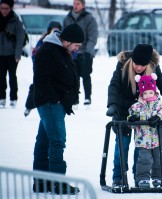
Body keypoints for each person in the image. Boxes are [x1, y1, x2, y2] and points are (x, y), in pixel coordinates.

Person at [106, 44, 162, 188]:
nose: (139, 68)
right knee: (122, 145)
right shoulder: (123, 65)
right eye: (136, 64)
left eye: (143, 65)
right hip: (122, 111)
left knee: (141, 147)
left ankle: (139, 177)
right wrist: (112, 105)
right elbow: (114, 85)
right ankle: (118, 177)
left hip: (144, 114)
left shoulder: (153, 67)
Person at [32, 23, 84, 194]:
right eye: (76, 45)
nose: (76, 49)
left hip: (55, 104)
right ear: (67, 41)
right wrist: (55, 100)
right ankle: (58, 183)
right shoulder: (48, 51)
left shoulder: (61, 50)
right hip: (50, 104)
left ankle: (41, 182)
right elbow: (41, 80)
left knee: (45, 141)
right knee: (57, 142)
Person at [128, 73, 162, 188]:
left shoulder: (161, 104)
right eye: (145, 93)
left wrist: (158, 117)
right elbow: (130, 122)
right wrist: (133, 119)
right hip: (143, 140)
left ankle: (158, 178)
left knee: (158, 160)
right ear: (141, 93)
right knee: (144, 160)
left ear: (154, 91)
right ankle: (142, 179)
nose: (148, 95)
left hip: (158, 139)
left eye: (150, 92)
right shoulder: (136, 106)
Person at [24, 20, 62, 117]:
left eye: (57, 30)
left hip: (55, 69)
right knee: (36, 86)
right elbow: (35, 53)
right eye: (53, 30)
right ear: (49, 30)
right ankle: (29, 106)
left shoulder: (62, 41)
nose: (55, 32)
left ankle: (50, 105)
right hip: (41, 67)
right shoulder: (43, 40)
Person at [64, 0, 98, 106]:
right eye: (74, 3)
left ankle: (87, 97)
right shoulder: (68, 18)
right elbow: (64, 34)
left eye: (78, 4)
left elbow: (92, 36)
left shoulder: (89, 18)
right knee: (74, 76)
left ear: (83, 5)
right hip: (71, 52)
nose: (75, 6)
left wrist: (88, 51)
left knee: (86, 75)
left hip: (85, 52)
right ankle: (75, 98)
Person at [0, 0, 25, 108]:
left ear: (11, 8)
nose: (4, 11)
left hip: (12, 54)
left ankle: (13, 98)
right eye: (2, 8)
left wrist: (17, 55)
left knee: (12, 76)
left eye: (6, 8)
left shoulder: (16, 21)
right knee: (1, 76)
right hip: (0, 54)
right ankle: (2, 98)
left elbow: (20, 38)